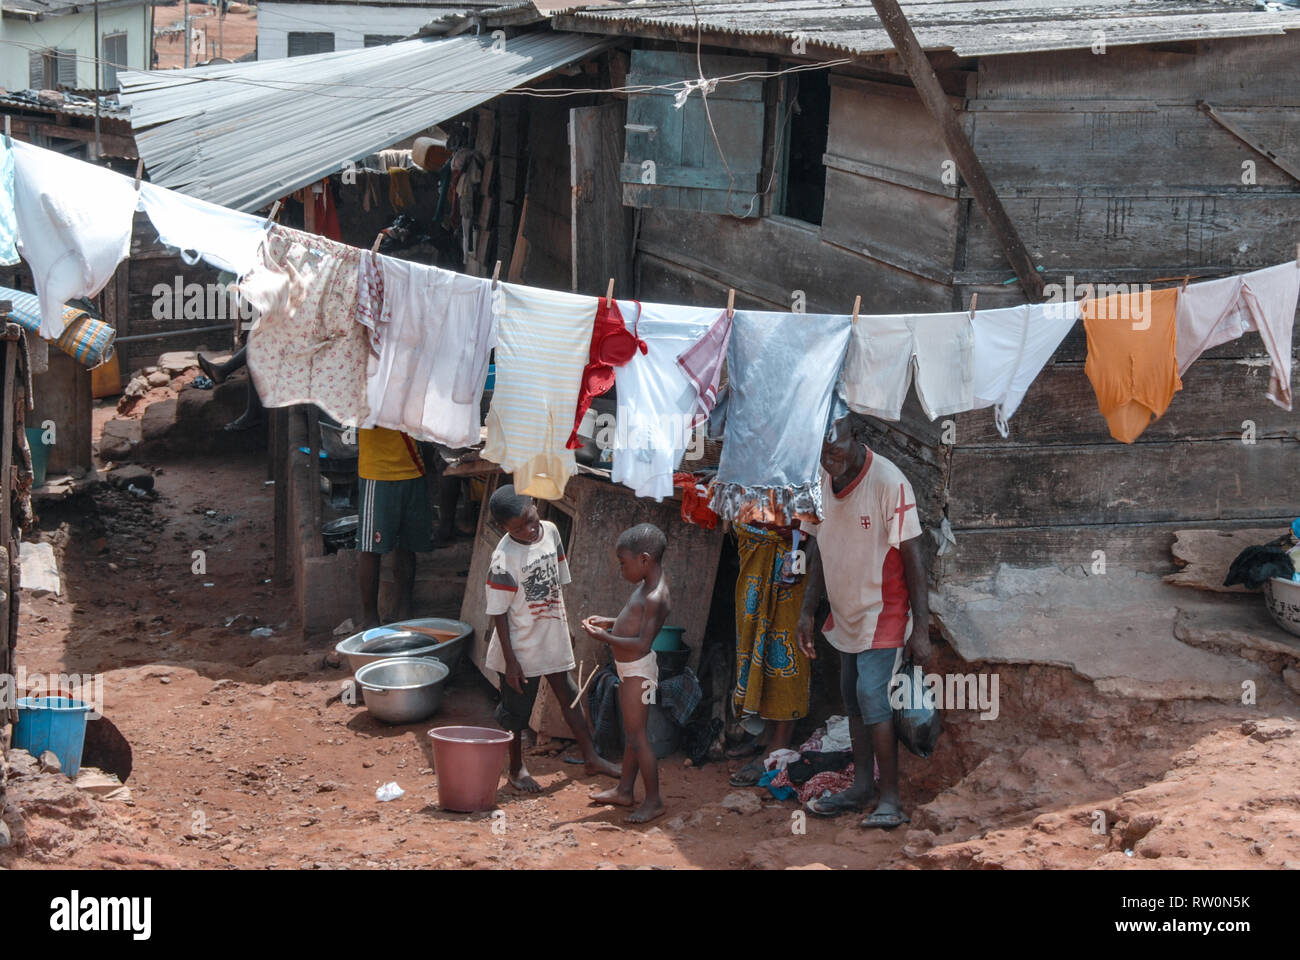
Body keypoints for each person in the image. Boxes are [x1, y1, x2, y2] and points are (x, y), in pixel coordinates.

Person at [796, 415, 932, 829]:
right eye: (821, 449)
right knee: (852, 699)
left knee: (872, 697)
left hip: (883, 609)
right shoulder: (821, 479)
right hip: (845, 611)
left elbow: (914, 557)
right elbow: (818, 545)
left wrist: (921, 629)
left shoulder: (889, 482)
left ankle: (891, 798)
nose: (828, 456)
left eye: (834, 446)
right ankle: (861, 788)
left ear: (857, 437)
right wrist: (807, 610)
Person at [485, 485, 620, 791]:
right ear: (503, 528)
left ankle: (590, 757)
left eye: (531, 519)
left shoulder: (551, 532)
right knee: (516, 712)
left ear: (535, 505)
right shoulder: (503, 558)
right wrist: (511, 661)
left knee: (569, 695)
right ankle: (517, 769)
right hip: (519, 647)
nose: (530, 530)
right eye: (518, 528)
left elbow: (557, 586)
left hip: (550, 634)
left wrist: (565, 627)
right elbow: (498, 613)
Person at [581, 523, 672, 824]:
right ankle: (624, 791)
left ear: (644, 559)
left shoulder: (656, 596)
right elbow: (631, 621)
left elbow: (642, 642)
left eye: (623, 563)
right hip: (629, 670)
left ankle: (654, 800)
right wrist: (609, 622)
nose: (621, 570)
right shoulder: (645, 587)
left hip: (639, 673)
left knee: (637, 736)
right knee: (633, 735)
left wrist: (604, 638)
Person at [727, 521, 812, 787]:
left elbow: (818, 500)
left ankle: (779, 743)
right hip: (754, 546)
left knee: (784, 643)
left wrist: (801, 529)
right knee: (753, 641)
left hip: (789, 548)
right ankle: (765, 732)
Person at [356, 426, 433, 629]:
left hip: (414, 469)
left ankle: (405, 611)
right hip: (378, 473)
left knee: (408, 546)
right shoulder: (366, 393)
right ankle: (370, 619)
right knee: (371, 548)